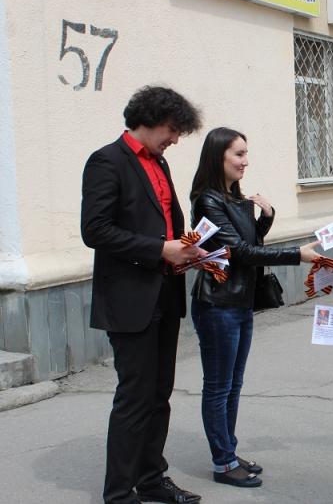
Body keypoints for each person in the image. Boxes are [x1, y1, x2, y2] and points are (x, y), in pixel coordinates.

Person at [81, 86, 204, 504]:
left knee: (159, 395)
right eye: (172, 129)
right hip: (129, 299)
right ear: (149, 119)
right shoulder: (106, 161)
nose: (175, 138)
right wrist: (158, 250)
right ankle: (119, 493)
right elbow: (95, 231)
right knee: (134, 398)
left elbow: (163, 224)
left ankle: (152, 479)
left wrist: (181, 253)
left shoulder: (160, 162)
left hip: (164, 293)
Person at [189, 127, 320, 487]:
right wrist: (297, 254)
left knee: (233, 384)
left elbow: (250, 242)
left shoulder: (235, 199)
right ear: (219, 157)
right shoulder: (208, 200)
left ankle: (228, 451)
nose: (246, 161)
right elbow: (240, 253)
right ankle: (223, 462)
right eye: (239, 154)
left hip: (240, 302)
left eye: (246, 154)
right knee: (218, 386)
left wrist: (264, 217)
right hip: (217, 305)